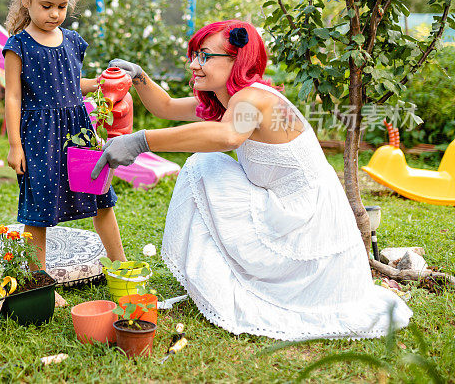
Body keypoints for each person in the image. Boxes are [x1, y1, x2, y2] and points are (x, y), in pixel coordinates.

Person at [92, 19, 411, 340]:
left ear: (238, 60)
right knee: (204, 167)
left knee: (203, 166)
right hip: (282, 206)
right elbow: (167, 106)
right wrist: (138, 77)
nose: (194, 64)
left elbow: (227, 135)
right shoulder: (225, 99)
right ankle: (218, 278)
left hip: (307, 221)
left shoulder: (254, 99)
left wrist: (141, 141)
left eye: (205, 56)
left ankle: (225, 279)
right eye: (194, 55)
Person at [3, 0, 126, 306]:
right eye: (46, 6)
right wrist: (15, 146)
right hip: (39, 137)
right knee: (38, 212)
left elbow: (72, 84)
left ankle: (120, 267)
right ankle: (40, 287)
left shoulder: (72, 41)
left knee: (102, 198)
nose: (54, 14)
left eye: (61, 6)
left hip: (78, 133)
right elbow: (12, 98)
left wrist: (100, 83)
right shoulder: (19, 46)